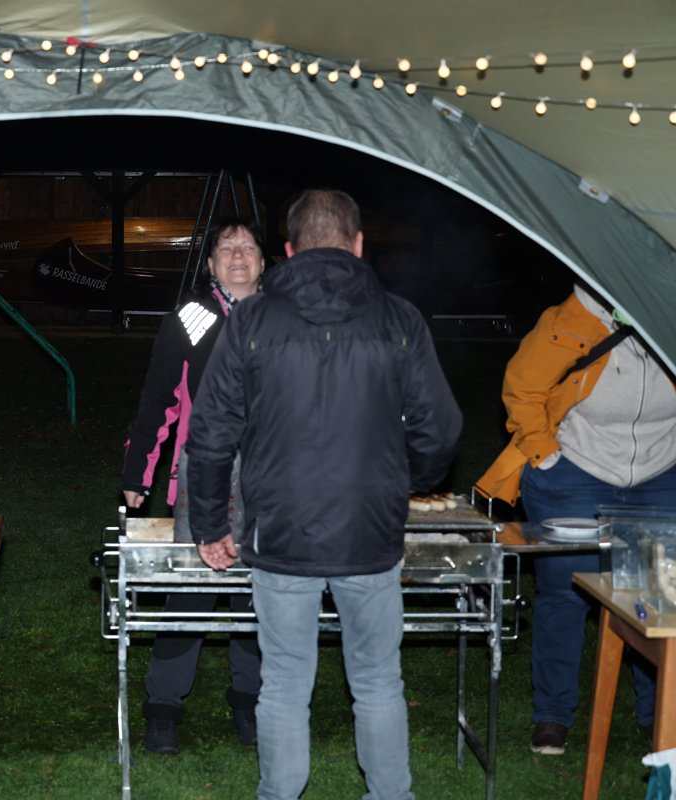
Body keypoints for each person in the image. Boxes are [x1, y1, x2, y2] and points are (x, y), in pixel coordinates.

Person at [186, 189, 461, 799]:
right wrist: (410, 480)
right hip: (369, 530)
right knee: (378, 680)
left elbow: (209, 433)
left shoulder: (251, 320)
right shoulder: (399, 319)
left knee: (285, 682)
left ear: (288, 250)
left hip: (281, 530)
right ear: (358, 244)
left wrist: (209, 524)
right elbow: (440, 429)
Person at [476, 285, 674, 755]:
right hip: (577, 468)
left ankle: (659, 712)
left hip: (661, 470)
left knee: (656, 595)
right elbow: (521, 388)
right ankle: (553, 714)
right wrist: (545, 455)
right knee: (565, 590)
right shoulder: (570, 318)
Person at [121, 217, 266, 755]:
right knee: (190, 592)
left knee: (259, 596)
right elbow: (160, 397)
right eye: (226, 247)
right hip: (203, 478)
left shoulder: (283, 317)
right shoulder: (193, 317)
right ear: (209, 264)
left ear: (263, 262)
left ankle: (251, 701)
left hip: (271, 481)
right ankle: (163, 707)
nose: (237, 255)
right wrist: (138, 471)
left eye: (247, 247)